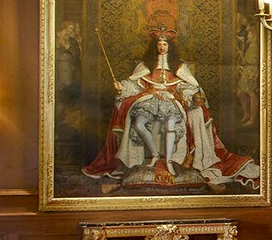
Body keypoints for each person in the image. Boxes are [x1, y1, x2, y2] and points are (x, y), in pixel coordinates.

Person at [84, 31, 260, 189]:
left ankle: (168, 160)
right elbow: (133, 85)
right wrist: (121, 87)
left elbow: (191, 87)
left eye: (165, 44)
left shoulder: (178, 67)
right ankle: (154, 154)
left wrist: (187, 96)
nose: (162, 47)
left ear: (169, 46)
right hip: (148, 100)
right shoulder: (146, 65)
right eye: (159, 44)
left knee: (170, 124)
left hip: (171, 101)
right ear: (156, 46)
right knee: (138, 123)